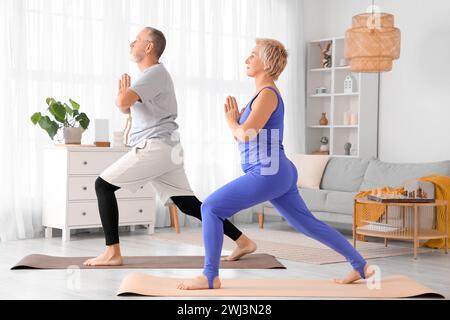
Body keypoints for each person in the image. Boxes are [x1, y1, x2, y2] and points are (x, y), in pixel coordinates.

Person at [177, 38, 374, 290]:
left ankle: (209, 275)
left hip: (269, 170)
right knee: (309, 224)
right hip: (275, 170)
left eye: (252, 55)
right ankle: (361, 266)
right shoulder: (260, 96)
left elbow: (244, 134)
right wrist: (237, 122)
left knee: (211, 208)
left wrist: (231, 122)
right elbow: (246, 136)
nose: (247, 60)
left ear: (267, 62)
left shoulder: (268, 94)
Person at [83, 27, 256, 266]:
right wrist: (123, 97)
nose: (132, 43)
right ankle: (242, 240)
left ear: (149, 47)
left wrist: (122, 96)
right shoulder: (152, 77)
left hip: (157, 146)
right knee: (188, 205)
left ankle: (112, 252)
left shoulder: (154, 74)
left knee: (102, 185)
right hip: (167, 148)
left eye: (137, 40)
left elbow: (123, 102)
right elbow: (126, 107)